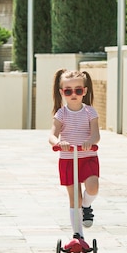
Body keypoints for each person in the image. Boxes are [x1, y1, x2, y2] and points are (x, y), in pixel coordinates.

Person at [49, 69, 100, 242]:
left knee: (93, 187)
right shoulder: (61, 113)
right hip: (68, 159)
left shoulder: (90, 112)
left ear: (84, 91)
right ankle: (78, 236)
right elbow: (52, 135)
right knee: (74, 198)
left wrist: (90, 141)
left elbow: (96, 135)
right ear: (62, 92)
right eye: (68, 91)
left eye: (78, 90)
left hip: (87, 156)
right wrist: (58, 143)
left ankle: (87, 206)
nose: (73, 94)